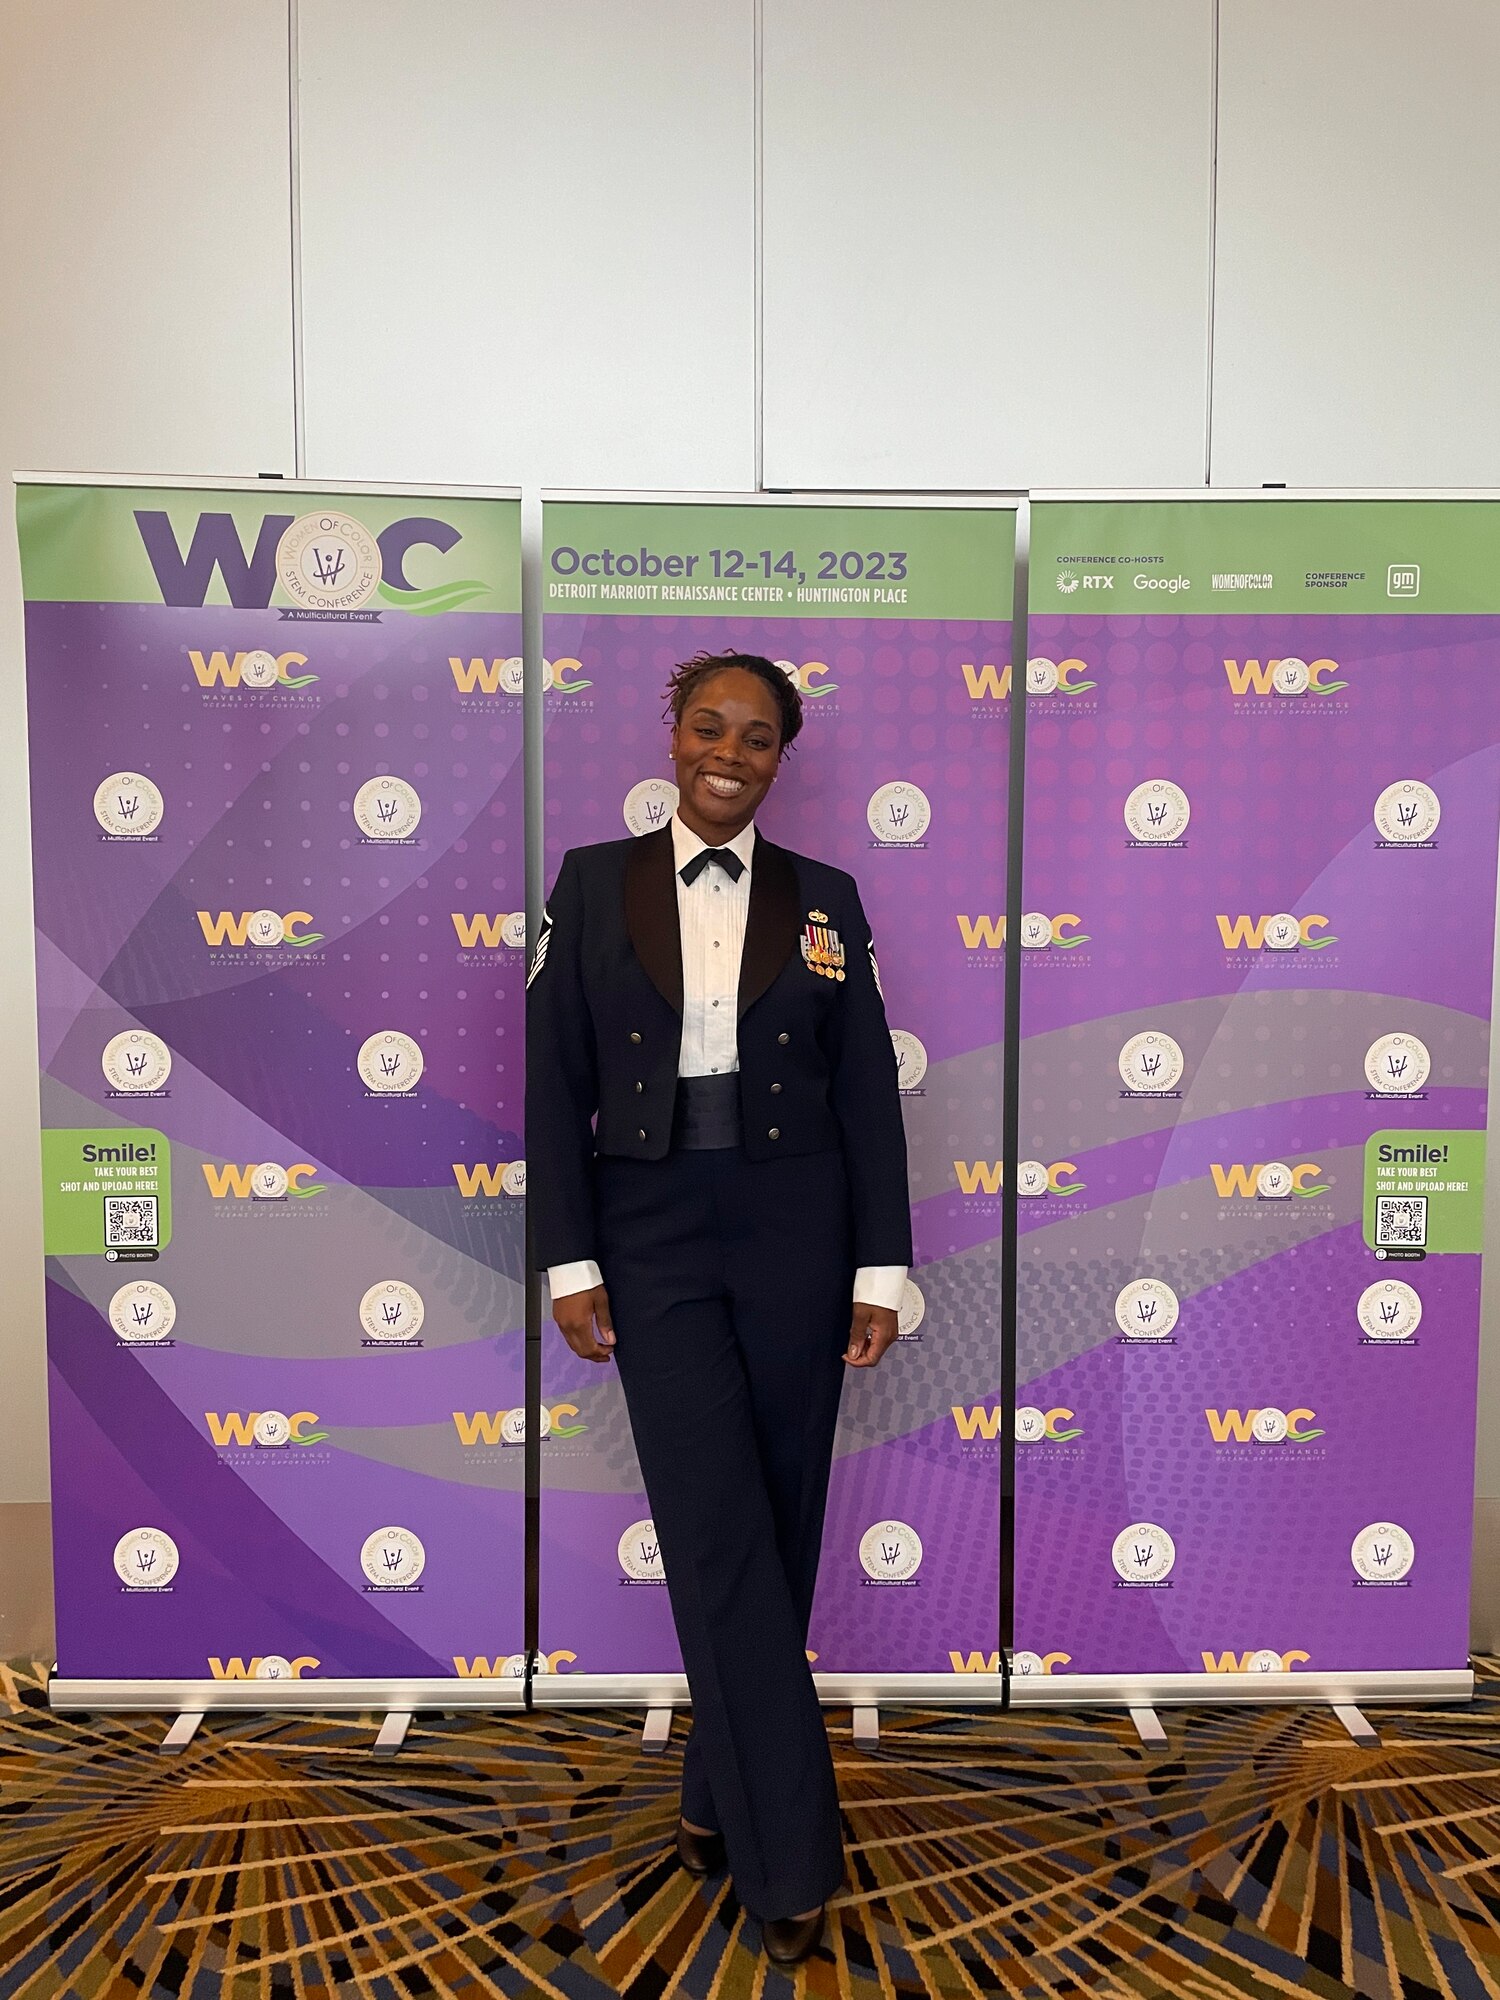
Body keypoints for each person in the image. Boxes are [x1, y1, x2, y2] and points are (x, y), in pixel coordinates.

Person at [527, 647, 912, 1966]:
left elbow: (867, 1091)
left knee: (783, 1522)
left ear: (779, 758)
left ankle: (711, 1794)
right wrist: (569, 1261)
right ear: (673, 734)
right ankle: (791, 1854)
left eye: (757, 737)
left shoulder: (826, 899)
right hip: (649, 1230)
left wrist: (880, 1267)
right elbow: (547, 1082)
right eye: (710, 727)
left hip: (799, 1226)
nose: (730, 753)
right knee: (716, 1529)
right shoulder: (592, 884)